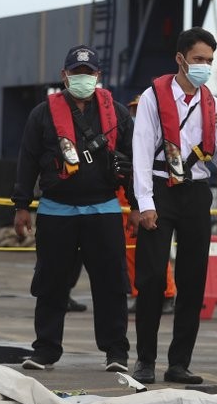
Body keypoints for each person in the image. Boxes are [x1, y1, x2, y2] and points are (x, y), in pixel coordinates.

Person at [12, 45, 134, 371]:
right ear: (64, 75)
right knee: (51, 283)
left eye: (88, 73)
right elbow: (26, 161)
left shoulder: (118, 114)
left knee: (111, 284)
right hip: (56, 210)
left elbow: (134, 161)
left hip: (104, 209)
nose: (83, 78)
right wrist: (22, 206)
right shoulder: (41, 114)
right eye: (76, 73)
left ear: (98, 76)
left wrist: (137, 204)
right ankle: (46, 349)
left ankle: (116, 352)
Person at [130, 27, 217, 385]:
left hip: (195, 192)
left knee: (193, 280)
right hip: (161, 188)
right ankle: (144, 359)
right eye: (198, 60)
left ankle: (179, 362)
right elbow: (142, 152)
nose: (204, 67)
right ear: (180, 59)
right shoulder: (152, 98)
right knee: (150, 278)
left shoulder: (213, 103)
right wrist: (144, 203)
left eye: (209, 61)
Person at [124, 94, 176, 315]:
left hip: (142, 198)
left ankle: (167, 293)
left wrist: (139, 203)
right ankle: (139, 293)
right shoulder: (129, 134)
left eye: (139, 110)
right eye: (134, 110)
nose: (136, 114)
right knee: (130, 253)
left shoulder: (153, 137)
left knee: (154, 250)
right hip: (125, 197)